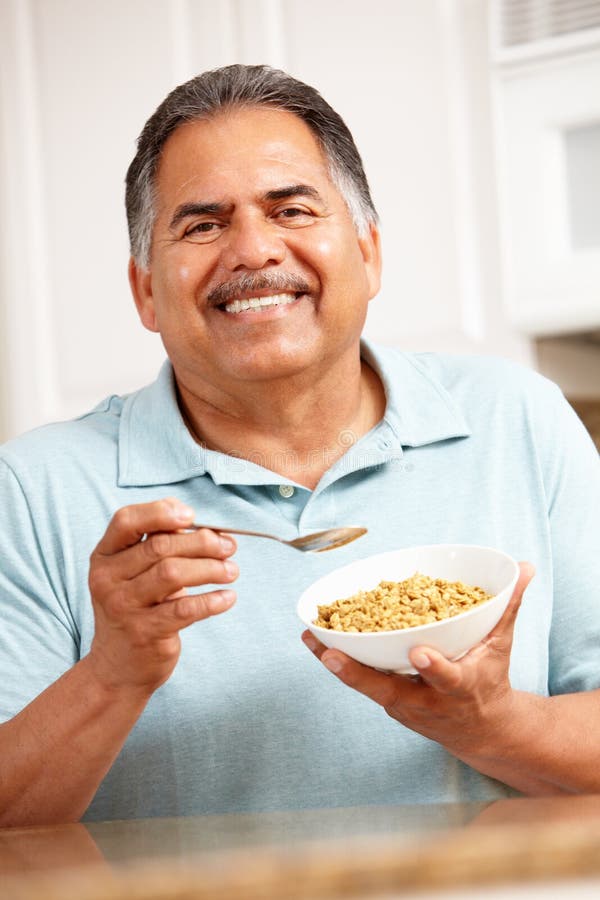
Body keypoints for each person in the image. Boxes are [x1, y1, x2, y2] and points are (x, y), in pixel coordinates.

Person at [0, 65, 599, 828]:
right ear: (146, 290)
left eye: (291, 208)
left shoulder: (518, 419)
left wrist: (492, 722)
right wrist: (114, 676)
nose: (252, 251)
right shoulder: (33, 489)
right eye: (203, 224)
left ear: (368, 253)